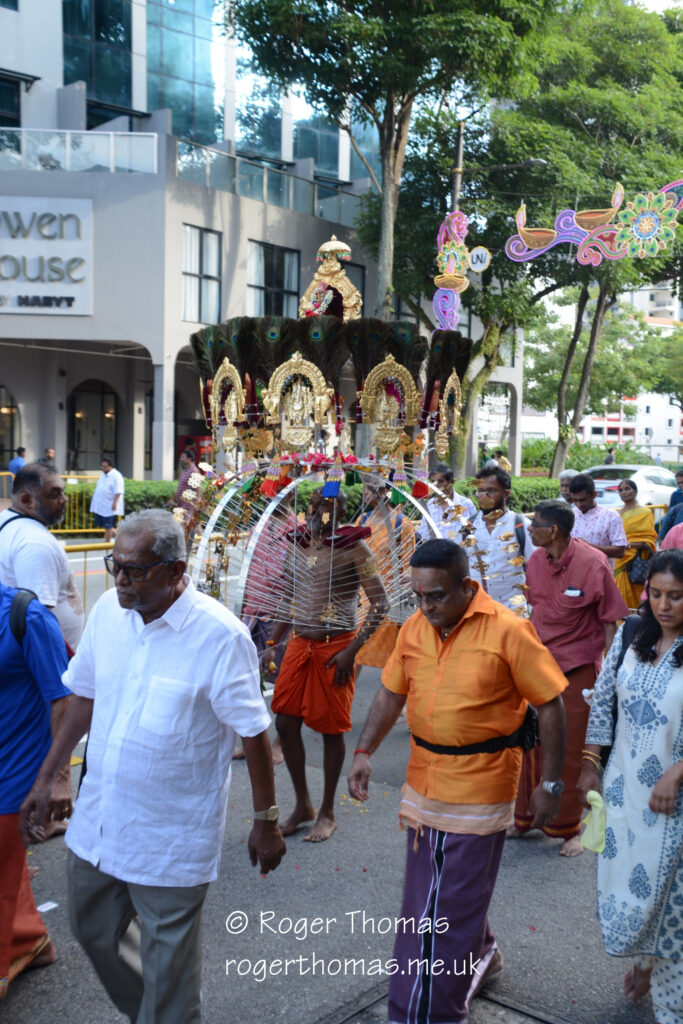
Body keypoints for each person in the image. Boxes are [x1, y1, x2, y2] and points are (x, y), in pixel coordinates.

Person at [20, 509, 285, 1024]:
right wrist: (49, 775)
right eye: (115, 565)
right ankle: (160, 1010)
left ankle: (168, 1011)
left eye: (135, 570)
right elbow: (82, 697)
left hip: (172, 836)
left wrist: (266, 820)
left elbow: (253, 731)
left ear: (175, 569)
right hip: (101, 818)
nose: (120, 580)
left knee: (168, 972)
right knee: (93, 929)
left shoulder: (219, 636)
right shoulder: (108, 612)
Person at [348, 539, 568, 1024]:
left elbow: (550, 704)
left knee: (436, 917)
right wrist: (363, 751)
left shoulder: (509, 631)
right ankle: (483, 952)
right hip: (423, 785)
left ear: (467, 586)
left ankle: (425, 1013)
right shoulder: (413, 629)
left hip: (480, 789)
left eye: (437, 597)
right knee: (435, 892)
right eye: (419, 596)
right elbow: (390, 693)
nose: (426, 608)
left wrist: (550, 785)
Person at [578, 550, 683, 1024]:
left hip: (673, 801)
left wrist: (677, 773)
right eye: (656, 595)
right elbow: (602, 703)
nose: (665, 606)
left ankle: (671, 1007)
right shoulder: (630, 635)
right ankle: (644, 965)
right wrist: (589, 765)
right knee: (637, 894)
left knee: (674, 904)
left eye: (678, 597)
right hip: (623, 794)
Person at [265, 488, 388, 842]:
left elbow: (379, 603)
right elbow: (289, 596)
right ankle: (303, 804)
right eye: (319, 505)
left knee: (332, 729)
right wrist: (272, 643)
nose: (324, 512)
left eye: (334, 506)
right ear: (308, 508)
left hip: (337, 648)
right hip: (299, 645)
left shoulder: (356, 548)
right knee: (285, 722)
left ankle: (328, 810)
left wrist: (353, 652)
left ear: (345, 512)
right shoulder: (297, 544)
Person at [510, 500, 629, 855]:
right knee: (529, 744)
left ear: (554, 531)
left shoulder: (592, 562)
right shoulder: (534, 561)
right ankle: (525, 819)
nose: (529, 529)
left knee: (573, 752)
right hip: (538, 666)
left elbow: (610, 619)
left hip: (578, 670)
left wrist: (608, 673)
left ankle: (572, 829)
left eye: (536, 524)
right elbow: (530, 609)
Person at [0, 583, 70, 1000]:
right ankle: (29, 941)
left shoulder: (26, 615)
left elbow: (64, 701)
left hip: (16, 770)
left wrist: (57, 780)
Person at [442, 465, 532, 614]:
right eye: (480, 491)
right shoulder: (467, 528)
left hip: (513, 612)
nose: (484, 496)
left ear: (506, 493)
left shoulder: (520, 525)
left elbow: (535, 568)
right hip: (476, 611)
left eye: (491, 491)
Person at [353, 479, 416, 668]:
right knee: (354, 653)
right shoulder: (362, 520)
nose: (364, 493)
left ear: (384, 493)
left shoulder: (402, 525)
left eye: (369, 489)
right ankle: (348, 695)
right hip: (360, 597)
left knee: (389, 658)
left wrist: (406, 578)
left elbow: (409, 565)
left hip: (387, 598)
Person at [613, 479, 657, 610]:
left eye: (627, 489)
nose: (624, 492)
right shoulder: (616, 514)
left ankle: (634, 621)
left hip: (634, 559)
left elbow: (648, 539)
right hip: (618, 558)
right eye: (620, 490)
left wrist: (628, 545)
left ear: (635, 491)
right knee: (617, 591)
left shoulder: (645, 512)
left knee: (633, 592)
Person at [569, 473, 627, 565]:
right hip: (573, 574)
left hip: (600, 575)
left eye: (583, 500)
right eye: (575, 500)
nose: (579, 504)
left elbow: (620, 551)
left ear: (594, 494)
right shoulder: (570, 515)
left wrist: (587, 547)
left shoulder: (611, 516)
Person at [417, 463, 476, 542]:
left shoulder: (466, 504)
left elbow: (475, 533)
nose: (436, 486)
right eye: (433, 482)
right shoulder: (430, 504)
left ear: (451, 482)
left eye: (440, 482)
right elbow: (423, 533)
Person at [89, 457, 124, 542]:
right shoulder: (104, 475)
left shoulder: (116, 476)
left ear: (111, 467)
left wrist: (115, 503)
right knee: (105, 525)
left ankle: (106, 543)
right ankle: (119, 537)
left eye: (105, 467)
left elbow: (119, 491)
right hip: (102, 504)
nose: (103, 468)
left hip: (109, 505)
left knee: (108, 526)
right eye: (102, 466)